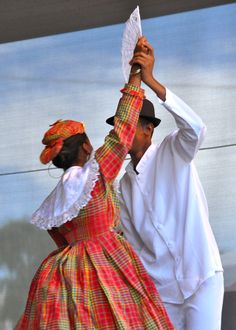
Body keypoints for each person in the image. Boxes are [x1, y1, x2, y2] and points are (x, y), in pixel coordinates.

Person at [15, 38, 174, 330]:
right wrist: (136, 75)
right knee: (125, 319)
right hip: (109, 263)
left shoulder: (53, 205)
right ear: (87, 147)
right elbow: (124, 128)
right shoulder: (97, 172)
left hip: (64, 279)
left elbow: (62, 240)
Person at [106, 38, 224, 329]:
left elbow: (196, 128)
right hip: (164, 293)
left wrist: (150, 81)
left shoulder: (173, 150)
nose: (122, 132)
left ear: (148, 130)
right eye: (119, 126)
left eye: (129, 124)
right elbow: (133, 245)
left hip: (202, 277)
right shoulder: (124, 186)